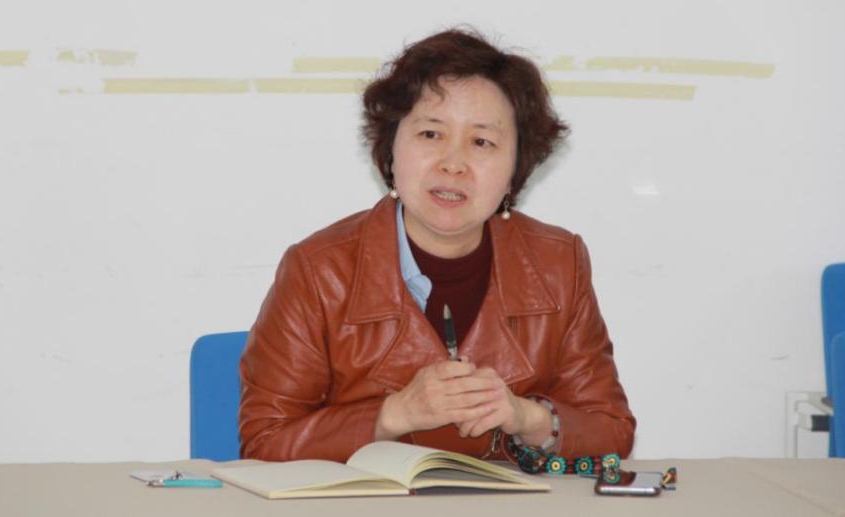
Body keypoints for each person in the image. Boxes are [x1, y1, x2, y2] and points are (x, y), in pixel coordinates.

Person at [238, 28, 635, 465]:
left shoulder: (559, 264)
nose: (453, 163)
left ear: (515, 169)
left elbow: (611, 431)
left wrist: (526, 417)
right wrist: (393, 415)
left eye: (482, 142)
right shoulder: (319, 271)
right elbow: (264, 441)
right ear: (391, 149)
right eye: (430, 134)